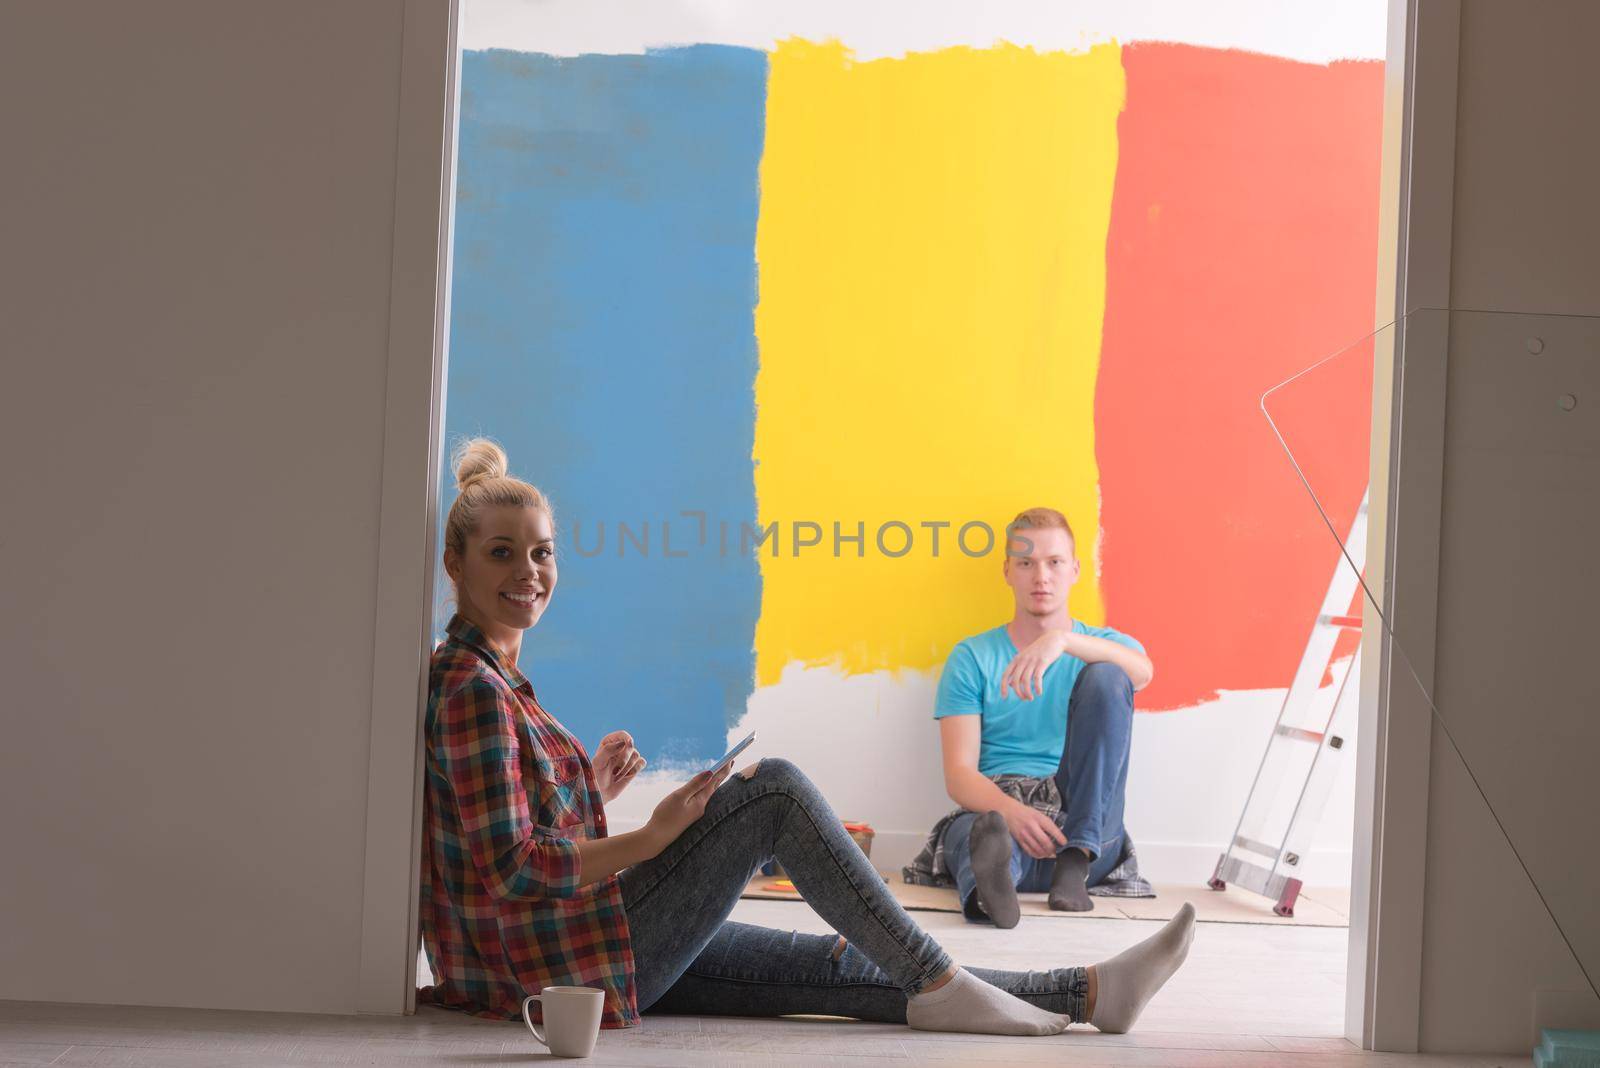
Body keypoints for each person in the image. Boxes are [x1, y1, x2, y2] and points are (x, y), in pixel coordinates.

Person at [417, 438, 1194, 1038]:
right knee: (775, 791)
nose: (530, 571)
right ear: (455, 563)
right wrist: (655, 838)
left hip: (582, 946)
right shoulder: (471, 688)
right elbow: (516, 871)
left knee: (838, 964)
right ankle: (940, 981)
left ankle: (1091, 992)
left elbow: (516, 838)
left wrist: (590, 787)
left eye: (542, 551)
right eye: (501, 553)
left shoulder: (494, 680)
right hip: (555, 967)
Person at [903, 507, 1153, 927]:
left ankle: (1075, 859)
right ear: (1008, 571)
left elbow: (1144, 673)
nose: (1041, 576)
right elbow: (959, 774)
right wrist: (1011, 813)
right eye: (1026, 563)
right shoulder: (973, 657)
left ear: (1074, 569)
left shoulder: (1103, 646)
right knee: (978, 835)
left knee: (1109, 676)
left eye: (1054, 562)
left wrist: (1063, 640)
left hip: (1084, 825)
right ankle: (992, 888)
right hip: (1003, 813)